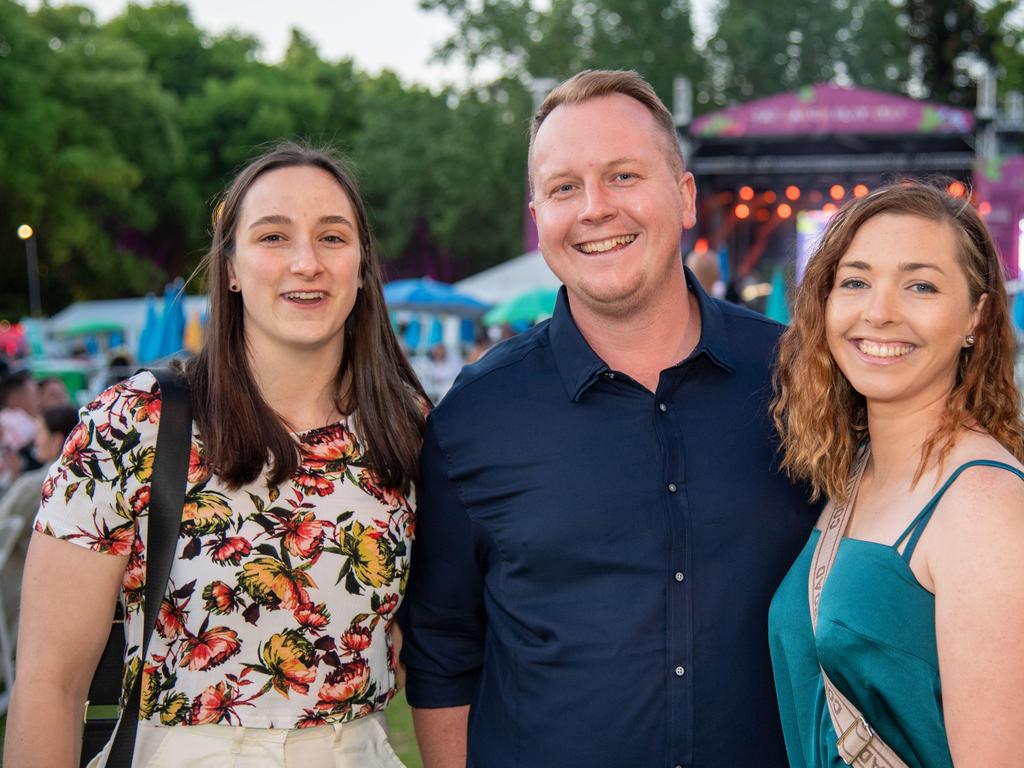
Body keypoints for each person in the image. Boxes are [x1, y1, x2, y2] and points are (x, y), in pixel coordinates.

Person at [399, 69, 818, 768]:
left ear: (684, 197)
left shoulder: (799, 379)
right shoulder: (476, 416)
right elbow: (443, 647)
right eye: (565, 187)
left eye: (623, 175)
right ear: (540, 220)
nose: (595, 208)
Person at [5, 143, 426, 768]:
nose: (306, 262)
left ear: (362, 266)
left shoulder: (409, 428)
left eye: (332, 238)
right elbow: (49, 683)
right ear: (230, 266)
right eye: (274, 236)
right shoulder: (133, 424)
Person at [769, 182, 1024, 767]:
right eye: (855, 281)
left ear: (977, 319)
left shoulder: (981, 502)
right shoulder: (854, 474)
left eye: (921, 286)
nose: (879, 312)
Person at [0, 404, 78, 629]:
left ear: (56, 440)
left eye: (39, 433)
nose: (35, 440)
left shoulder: (38, 482)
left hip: (17, 586)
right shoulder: (76, 481)